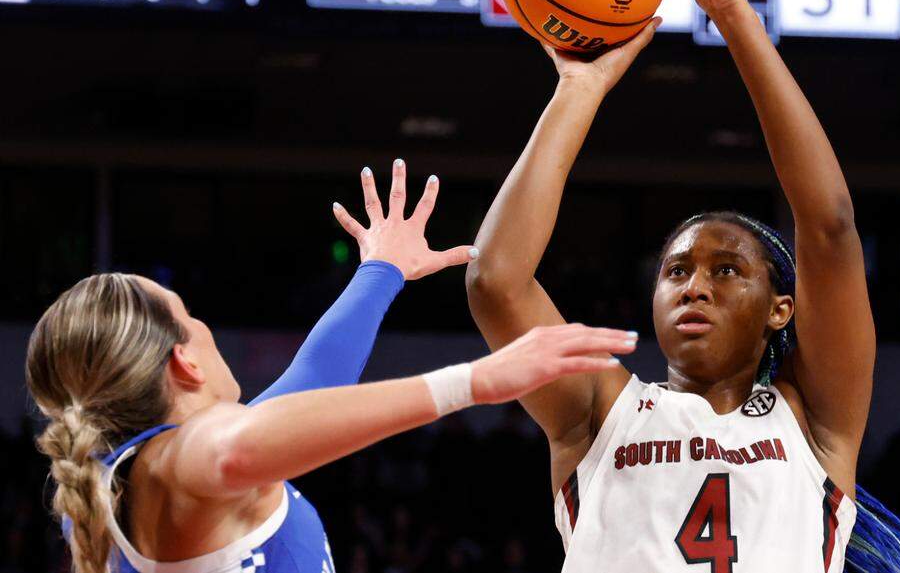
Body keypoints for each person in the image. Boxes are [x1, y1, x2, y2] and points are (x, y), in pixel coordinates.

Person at [465, 0, 900, 571]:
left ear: (781, 310)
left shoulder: (812, 422)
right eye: (676, 272)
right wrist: (579, 89)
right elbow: (495, 283)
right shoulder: (601, 411)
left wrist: (736, 19)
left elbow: (831, 226)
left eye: (726, 271)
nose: (693, 287)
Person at [26, 161, 639, 573]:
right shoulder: (180, 462)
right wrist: (475, 381)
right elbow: (233, 448)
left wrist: (381, 271)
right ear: (183, 359)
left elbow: (312, 383)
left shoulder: (141, 475)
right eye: (190, 316)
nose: (203, 325)